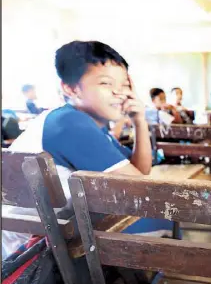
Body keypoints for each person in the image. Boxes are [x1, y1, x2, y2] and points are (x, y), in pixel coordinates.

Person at [2, 40, 172, 259]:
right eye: (106, 83)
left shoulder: (80, 122)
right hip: (33, 254)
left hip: (48, 236)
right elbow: (138, 188)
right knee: (162, 216)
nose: (119, 93)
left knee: (152, 216)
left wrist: (139, 120)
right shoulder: (70, 124)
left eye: (125, 85)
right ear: (71, 88)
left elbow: (141, 170)